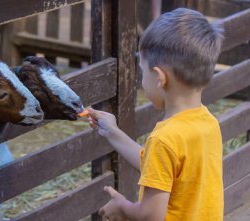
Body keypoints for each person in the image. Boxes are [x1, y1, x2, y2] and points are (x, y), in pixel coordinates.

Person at [88, 8, 224, 221]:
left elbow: (151, 215)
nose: (142, 82)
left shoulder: (164, 139)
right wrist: (112, 132)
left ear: (160, 77)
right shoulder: (208, 123)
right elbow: (158, 168)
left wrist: (122, 208)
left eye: (143, 72)